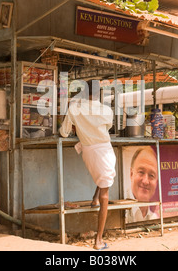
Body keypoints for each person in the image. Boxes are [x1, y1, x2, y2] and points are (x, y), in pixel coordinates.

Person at [59, 79, 116, 250]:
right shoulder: (106, 110)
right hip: (105, 150)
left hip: (88, 152)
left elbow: (63, 132)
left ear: (83, 93)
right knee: (106, 188)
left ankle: (94, 200)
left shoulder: (74, 108)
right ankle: (98, 241)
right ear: (100, 94)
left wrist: (79, 127)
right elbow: (108, 127)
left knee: (104, 179)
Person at [127, 146, 159, 223]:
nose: (145, 181)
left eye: (151, 175)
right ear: (131, 174)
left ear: (156, 182)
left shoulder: (154, 218)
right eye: (141, 172)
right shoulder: (119, 215)